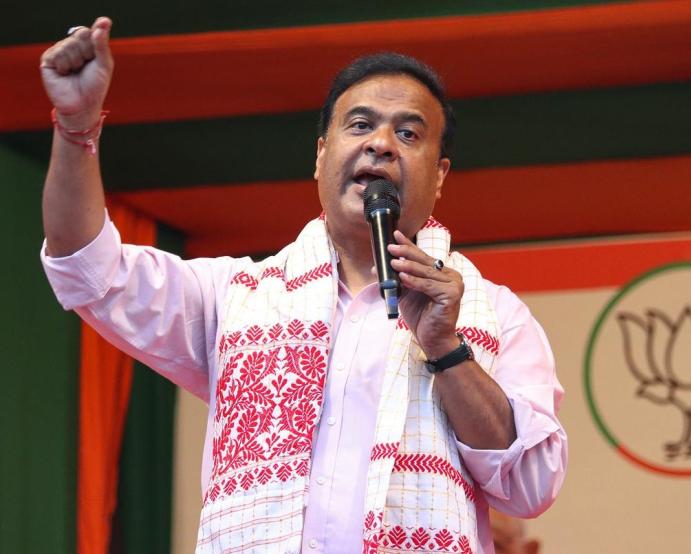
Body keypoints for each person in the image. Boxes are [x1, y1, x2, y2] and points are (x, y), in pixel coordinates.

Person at [40, 16, 567, 554]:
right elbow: (87, 265)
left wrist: (447, 349)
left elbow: (531, 484)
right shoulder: (237, 297)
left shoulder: (494, 313)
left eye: (408, 134)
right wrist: (76, 126)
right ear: (320, 156)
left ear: (439, 176)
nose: (381, 144)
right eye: (360, 125)